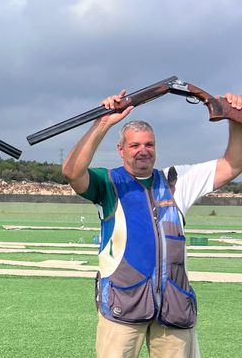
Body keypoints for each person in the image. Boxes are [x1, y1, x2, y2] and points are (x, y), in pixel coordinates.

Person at [61, 89, 242, 357]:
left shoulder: (175, 180)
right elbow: (72, 171)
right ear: (121, 150)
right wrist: (103, 123)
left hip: (174, 304)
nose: (143, 151)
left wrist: (234, 119)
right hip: (123, 303)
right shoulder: (108, 183)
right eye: (134, 145)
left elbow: (233, 164)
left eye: (149, 144)